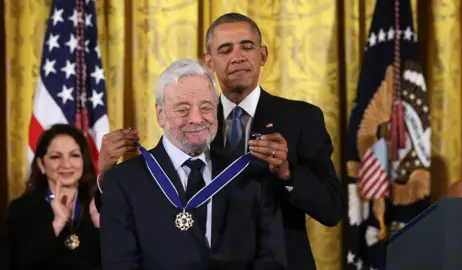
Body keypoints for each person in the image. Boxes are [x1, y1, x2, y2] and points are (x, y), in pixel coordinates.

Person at [96, 13, 344, 270]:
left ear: (263, 55)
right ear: (208, 61)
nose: (237, 57)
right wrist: (105, 175)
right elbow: (145, 204)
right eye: (225, 49)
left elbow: (331, 209)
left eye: (247, 46)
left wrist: (288, 174)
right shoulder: (190, 121)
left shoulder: (301, 118)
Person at [99, 59, 286, 270]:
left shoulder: (250, 175)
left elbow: (273, 261)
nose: (196, 119)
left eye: (206, 107)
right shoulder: (124, 181)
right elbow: (120, 264)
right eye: (183, 109)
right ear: (160, 114)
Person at [6, 124, 101, 270]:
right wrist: (56, 224)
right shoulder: (21, 209)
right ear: (41, 164)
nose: (66, 164)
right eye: (56, 157)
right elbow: (19, 263)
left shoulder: (99, 205)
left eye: (74, 155)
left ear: (84, 161)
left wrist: (100, 225)